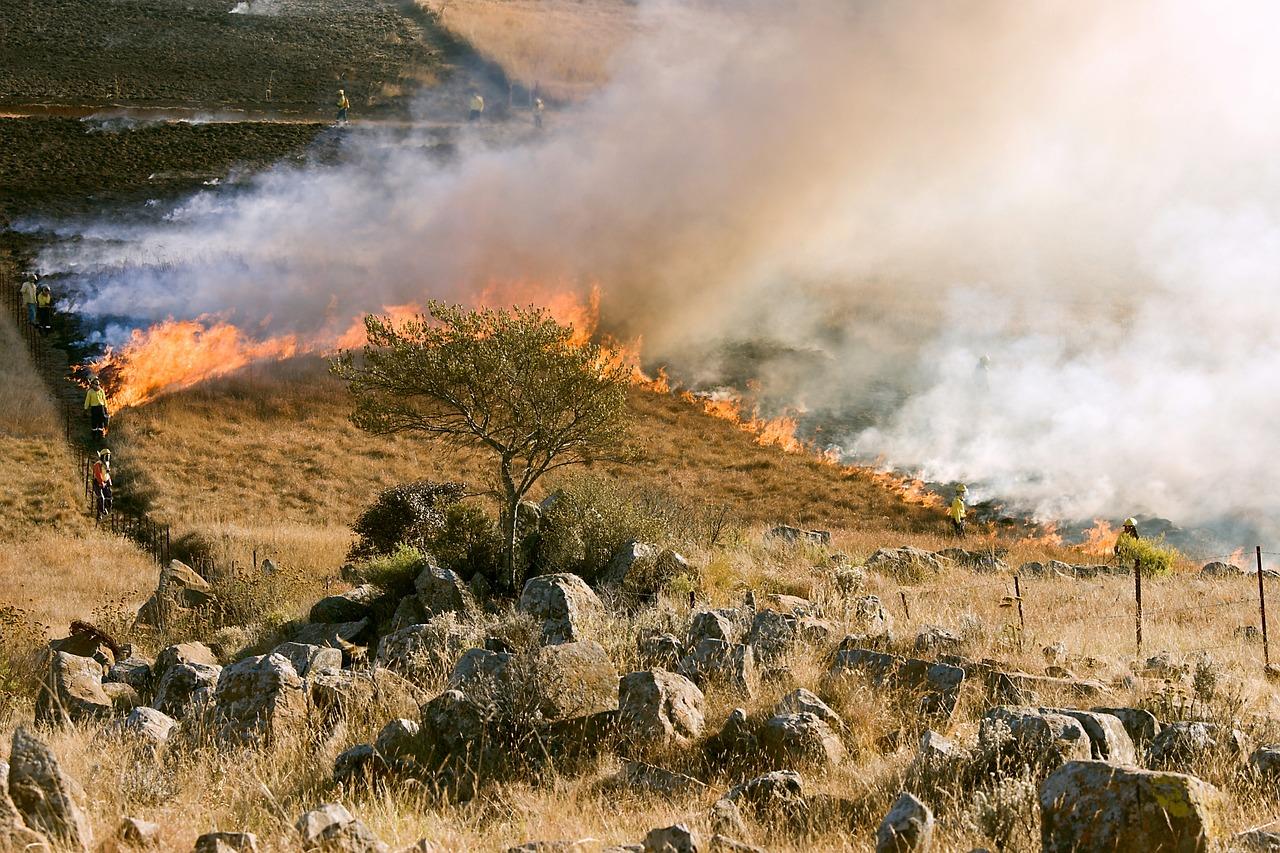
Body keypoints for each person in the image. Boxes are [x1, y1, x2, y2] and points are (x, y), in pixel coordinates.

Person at [92, 449, 113, 519]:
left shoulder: (107, 463)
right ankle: (100, 513)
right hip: (98, 483)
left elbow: (107, 474)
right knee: (101, 498)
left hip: (105, 483)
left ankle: (105, 509)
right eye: (107, 456)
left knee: (109, 498)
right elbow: (98, 474)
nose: (108, 458)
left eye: (109, 456)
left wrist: (109, 481)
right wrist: (101, 483)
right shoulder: (98, 464)